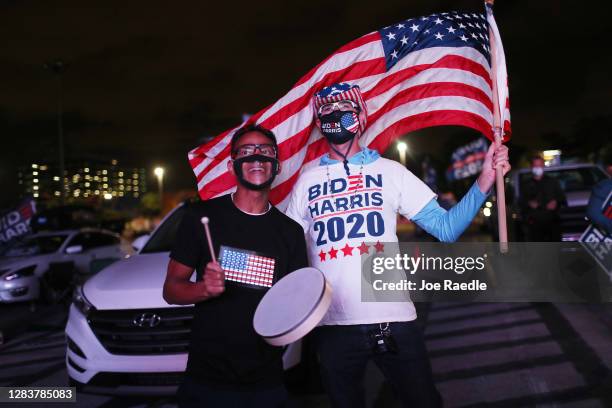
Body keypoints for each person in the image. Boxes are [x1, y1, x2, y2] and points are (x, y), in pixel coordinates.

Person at [285, 82, 510, 407]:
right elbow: (289, 250)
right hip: (333, 326)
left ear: (361, 115)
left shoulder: (391, 172)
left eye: (344, 110)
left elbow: (446, 228)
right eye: (327, 113)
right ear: (318, 124)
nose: (335, 116)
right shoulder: (306, 181)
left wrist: (485, 179)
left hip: (395, 320)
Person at [163, 124, 308, 407]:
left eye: (265, 151)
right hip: (206, 380)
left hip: (267, 382)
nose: (256, 157)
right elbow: (171, 290)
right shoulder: (200, 217)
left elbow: (295, 304)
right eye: (246, 151)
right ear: (232, 166)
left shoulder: (290, 232)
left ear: (277, 166)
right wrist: (204, 289)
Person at [519, 156, 566, 241]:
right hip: (534, 224)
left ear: (543, 166)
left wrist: (556, 202)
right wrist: (529, 203)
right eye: (535, 166)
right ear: (531, 167)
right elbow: (520, 202)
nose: (538, 168)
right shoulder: (526, 184)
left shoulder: (552, 182)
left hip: (552, 222)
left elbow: (562, 198)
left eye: (539, 165)